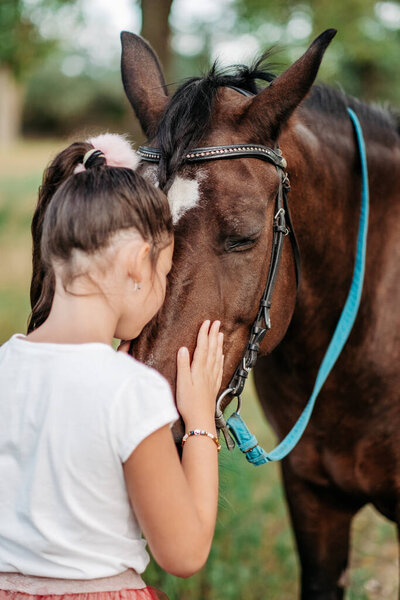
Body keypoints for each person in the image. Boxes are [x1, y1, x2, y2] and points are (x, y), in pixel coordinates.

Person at [0, 134, 224, 600]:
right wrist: (201, 422)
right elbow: (183, 554)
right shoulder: (130, 392)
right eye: (164, 273)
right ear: (138, 264)